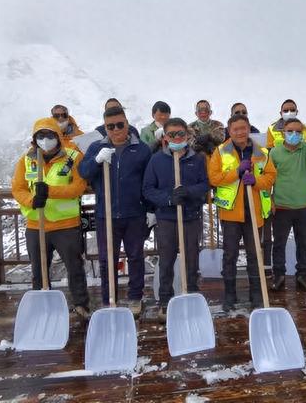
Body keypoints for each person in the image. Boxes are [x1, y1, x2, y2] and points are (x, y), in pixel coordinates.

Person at [11, 117, 90, 319]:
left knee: (74, 268)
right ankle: (42, 307)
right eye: (41, 136)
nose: (45, 140)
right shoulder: (27, 160)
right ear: (34, 138)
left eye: (50, 135)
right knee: (39, 270)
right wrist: (31, 200)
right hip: (36, 225)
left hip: (66, 225)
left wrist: (50, 191)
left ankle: (81, 305)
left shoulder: (73, 157)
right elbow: (18, 188)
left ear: (58, 136)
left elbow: (78, 187)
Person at [79, 106, 151, 316]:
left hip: (134, 214)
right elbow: (83, 172)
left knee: (135, 256)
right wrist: (97, 160)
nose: (116, 129)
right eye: (110, 126)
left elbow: (148, 181)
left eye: (120, 124)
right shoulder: (95, 148)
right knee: (106, 259)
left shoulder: (142, 149)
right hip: (106, 214)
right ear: (105, 127)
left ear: (127, 123)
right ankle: (108, 299)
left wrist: (150, 210)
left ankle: (135, 298)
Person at [208, 114, 276, 311]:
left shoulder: (261, 152)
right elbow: (213, 178)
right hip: (231, 214)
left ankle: (256, 294)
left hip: (254, 212)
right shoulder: (221, 152)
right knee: (230, 255)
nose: (240, 132)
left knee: (255, 255)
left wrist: (256, 181)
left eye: (243, 128)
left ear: (248, 129)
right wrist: (236, 172)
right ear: (230, 131)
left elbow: (271, 177)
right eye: (235, 129)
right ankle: (229, 295)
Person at [143, 118, 209, 320]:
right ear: (165, 137)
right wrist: (169, 199)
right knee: (166, 260)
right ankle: (165, 301)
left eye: (180, 134)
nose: (176, 137)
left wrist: (188, 192)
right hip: (167, 219)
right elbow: (147, 189)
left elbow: (205, 185)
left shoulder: (196, 159)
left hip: (190, 217)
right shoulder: (156, 160)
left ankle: (191, 296)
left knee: (191, 259)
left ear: (187, 136)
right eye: (172, 134)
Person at [269, 118, 306, 292]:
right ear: (283, 132)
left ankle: (303, 275)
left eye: (298, 132)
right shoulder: (275, 153)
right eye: (290, 131)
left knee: (303, 243)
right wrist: (270, 199)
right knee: (279, 244)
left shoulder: (305, 148)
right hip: (282, 206)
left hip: (304, 206)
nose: (294, 134)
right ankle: (278, 275)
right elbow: (269, 178)